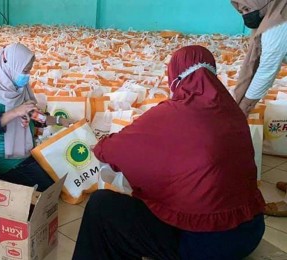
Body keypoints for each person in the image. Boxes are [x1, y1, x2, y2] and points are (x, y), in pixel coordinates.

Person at [72, 46, 265, 260]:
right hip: (251, 231)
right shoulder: (233, 112)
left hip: (208, 244)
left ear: (175, 76)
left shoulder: (173, 112)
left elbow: (109, 150)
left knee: (102, 206)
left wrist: (96, 145)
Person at [0, 43, 74, 192]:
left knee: (59, 174)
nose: (27, 76)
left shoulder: (18, 88)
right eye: (25, 70)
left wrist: (61, 121)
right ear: (12, 67)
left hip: (25, 150)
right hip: (6, 159)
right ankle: (3, 175)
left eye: (28, 70)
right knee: (49, 188)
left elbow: (33, 115)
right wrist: (15, 112)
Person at [231, 0, 287, 217]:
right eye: (241, 10)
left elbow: (266, 70)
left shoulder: (279, 22)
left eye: (247, 8)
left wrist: (244, 106)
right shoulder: (272, 15)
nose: (245, 14)